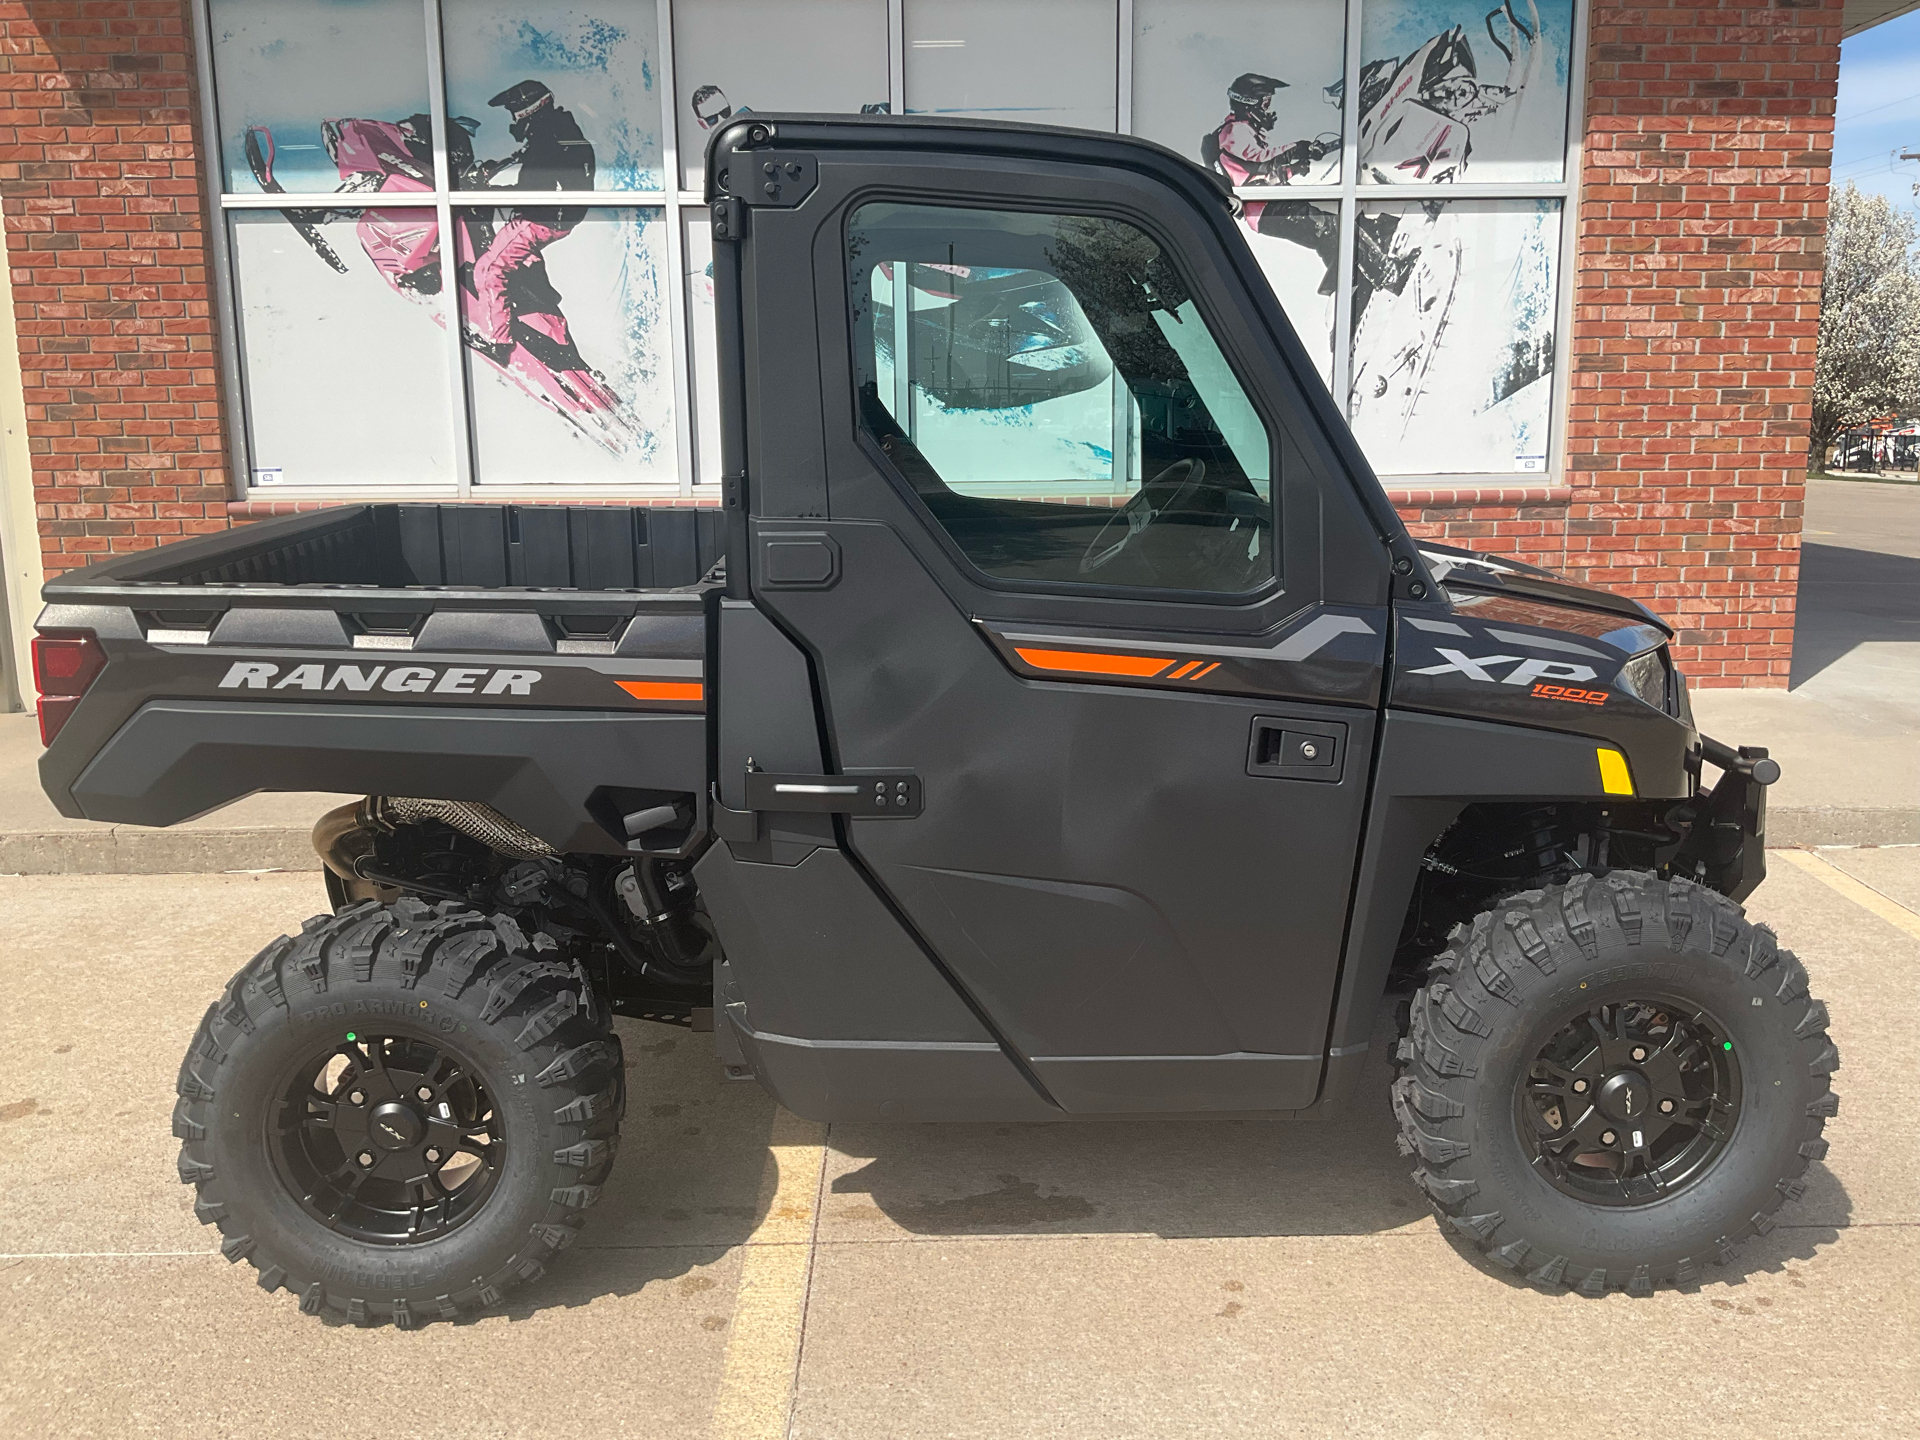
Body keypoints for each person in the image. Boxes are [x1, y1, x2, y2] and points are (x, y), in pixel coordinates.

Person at [465, 79, 595, 365]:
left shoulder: (545, 139)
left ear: (528, 111)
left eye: (514, 113)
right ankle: (561, 342)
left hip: (540, 218)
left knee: (489, 270)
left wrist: (487, 192)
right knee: (527, 266)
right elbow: (526, 161)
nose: (512, 122)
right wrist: (495, 168)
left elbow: (532, 189)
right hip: (561, 219)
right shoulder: (561, 129)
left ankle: (498, 342)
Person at [1202, 73, 1331, 188]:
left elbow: (1262, 175)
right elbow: (1264, 164)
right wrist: (1300, 148)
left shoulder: (1243, 131)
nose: (1268, 111)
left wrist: (1294, 169)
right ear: (1249, 104)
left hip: (1259, 207)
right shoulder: (1236, 131)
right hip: (1257, 209)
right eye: (1265, 104)